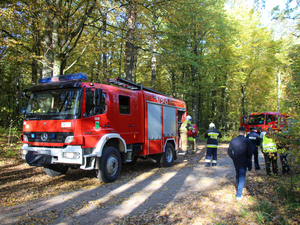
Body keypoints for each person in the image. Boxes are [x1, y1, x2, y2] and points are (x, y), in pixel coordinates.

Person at [228, 127, 253, 200]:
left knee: (237, 173)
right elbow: (250, 152)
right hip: (244, 160)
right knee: (242, 176)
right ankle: (239, 194)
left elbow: (229, 151)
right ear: (244, 132)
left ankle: (239, 187)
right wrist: (248, 158)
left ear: (238, 132)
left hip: (236, 160)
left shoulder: (233, 140)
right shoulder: (247, 141)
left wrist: (233, 157)